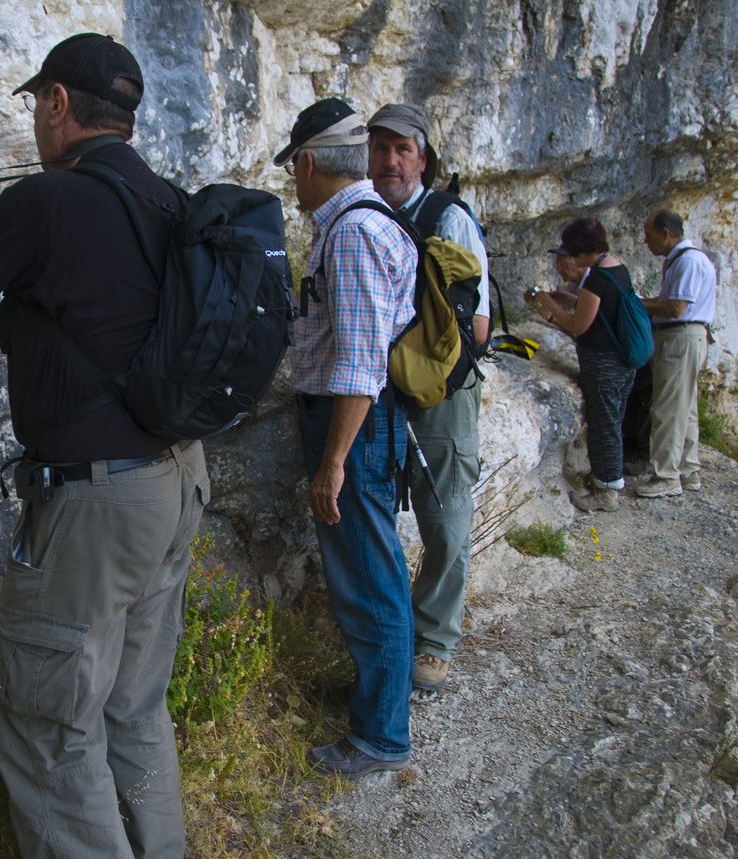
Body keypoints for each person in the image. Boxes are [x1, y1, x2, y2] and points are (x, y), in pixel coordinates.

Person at [0, 33, 208, 859]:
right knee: (133, 705)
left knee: (51, 723)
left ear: (58, 103)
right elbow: (78, 297)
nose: (32, 119)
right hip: (177, 479)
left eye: (34, 102)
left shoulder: (47, 199)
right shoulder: (163, 199)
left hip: (99, 505)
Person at [275, 97, 418, 776]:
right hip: (359, 423)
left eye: (292, 170)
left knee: (368, 575)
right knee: (369, 566)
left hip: (352, 427)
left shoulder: (354, 232)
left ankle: (381, 736)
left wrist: (333, 461)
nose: (293, 184)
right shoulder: (363, 221)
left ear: (309, 163)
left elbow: (361, 363)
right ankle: (377, 699)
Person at [366, 103, 490, 693]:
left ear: (423, 159)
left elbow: (478, 327)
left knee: (444, 516)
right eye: (380, 148)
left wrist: (419, 366)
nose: (390, 160)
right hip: (377, 390)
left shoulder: (448, 219)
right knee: (377, 511)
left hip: (440, 394)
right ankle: (392, 628)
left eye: (403, 149)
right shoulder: (364, 215)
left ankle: (436, 640)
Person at [527, 217, 635, 512]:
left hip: (604, 364)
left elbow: (578, 325)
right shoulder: (617, 268)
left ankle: (606, 493)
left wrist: (546, 302)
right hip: (622, 361)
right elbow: (602, 309)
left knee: (603, 426)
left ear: (581, 250)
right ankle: (605, 477)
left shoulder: (598, 279)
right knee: (611, 422)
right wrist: (570, 298)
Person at [637, 208, 717, 497]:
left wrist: (637, 304)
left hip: (680, 337)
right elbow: (669, 301)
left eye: (649, 235)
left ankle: (666, 476)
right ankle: (688, 469)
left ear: (666, 233)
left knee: (667, 408)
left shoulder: (688, 262)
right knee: (685, 407)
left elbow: (676, 307)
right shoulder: (683, 260)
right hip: (686, 337)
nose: (646, 242)